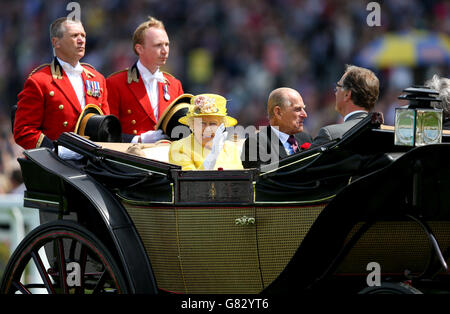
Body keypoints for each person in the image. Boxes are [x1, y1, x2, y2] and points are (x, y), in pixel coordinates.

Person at [13, 17, 110, 150]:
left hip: (93, 164)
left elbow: (105, 127)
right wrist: (57, 150)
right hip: (55, 164)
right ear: (56, 42)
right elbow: (23, 130)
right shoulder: (40, 81)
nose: (81, 40)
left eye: (83, 35)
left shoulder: (97, 79)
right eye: (74, 36)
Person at [107, 16, 184, 143]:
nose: (165, 51)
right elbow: (107, 133)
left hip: (165, 158)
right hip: (131, 158)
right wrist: (139, 139)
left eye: (167, 44)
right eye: (158, 45)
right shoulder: (115, 83)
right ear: (140, 49)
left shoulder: (174, 85)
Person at [241, 87, 312, 169]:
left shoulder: (306, 138)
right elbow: (262, 180)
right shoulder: (255, 144)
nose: (304, 114)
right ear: (278, 112)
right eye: (297, 109)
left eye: (303, 109)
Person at [169, 94, 243, 170]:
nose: (207, 129)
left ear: (221, 126)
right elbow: (188, 180)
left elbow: (242, 179)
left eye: (213, 124)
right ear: (192, 125)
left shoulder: (230, 148)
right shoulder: (179, 148)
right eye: (202, 123)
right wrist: (212, 157)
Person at [311, 65, 379, 146]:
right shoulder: (389, 135)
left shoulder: (330, 135)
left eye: (337, 87)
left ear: (347, 95)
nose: (335, 93)